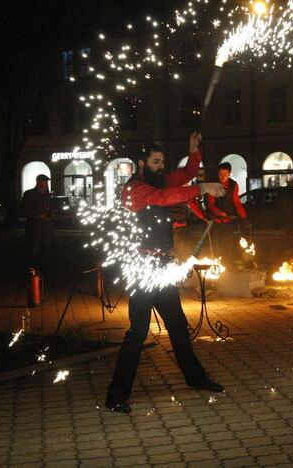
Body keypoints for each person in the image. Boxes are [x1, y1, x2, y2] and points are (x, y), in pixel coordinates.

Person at [106, 132, 227, 414]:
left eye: (162, 162)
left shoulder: (158, 180)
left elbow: (183, 175)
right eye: (156, 161)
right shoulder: (135, 189)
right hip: (142, 269)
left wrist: (194, 152)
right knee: (138, 331)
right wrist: (202, 189)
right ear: (141, 163)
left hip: (162, 266)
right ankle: (116, 395)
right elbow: (163, 197)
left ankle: (195, 378)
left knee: (177, 325)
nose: (162, 166)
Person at [206, 162, 249, 262]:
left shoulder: (233, 185)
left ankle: (227, 265)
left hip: (228, 221)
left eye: (225, 174)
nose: (222, 176)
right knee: (215, 247)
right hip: (215, 221)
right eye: (220, 174)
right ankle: (215, 267)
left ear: (229, 174)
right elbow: (210, 204)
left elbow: (237, 203)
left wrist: (244, 217)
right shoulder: (213, 185)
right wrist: (220, 213)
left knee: (227, 246)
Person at [21, 174, 54, 271]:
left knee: (46, 249)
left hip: (46, 228)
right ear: (39, 182)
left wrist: (50, 215)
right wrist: (37, 216)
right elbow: (24, 209)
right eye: (44, 181)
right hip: (34, 228)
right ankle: (33, 269)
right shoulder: (29, 194)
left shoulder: (47, 195)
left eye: (46, 182)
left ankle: (45, 268)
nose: (46, 183)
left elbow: (51, 207)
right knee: (33, 250)